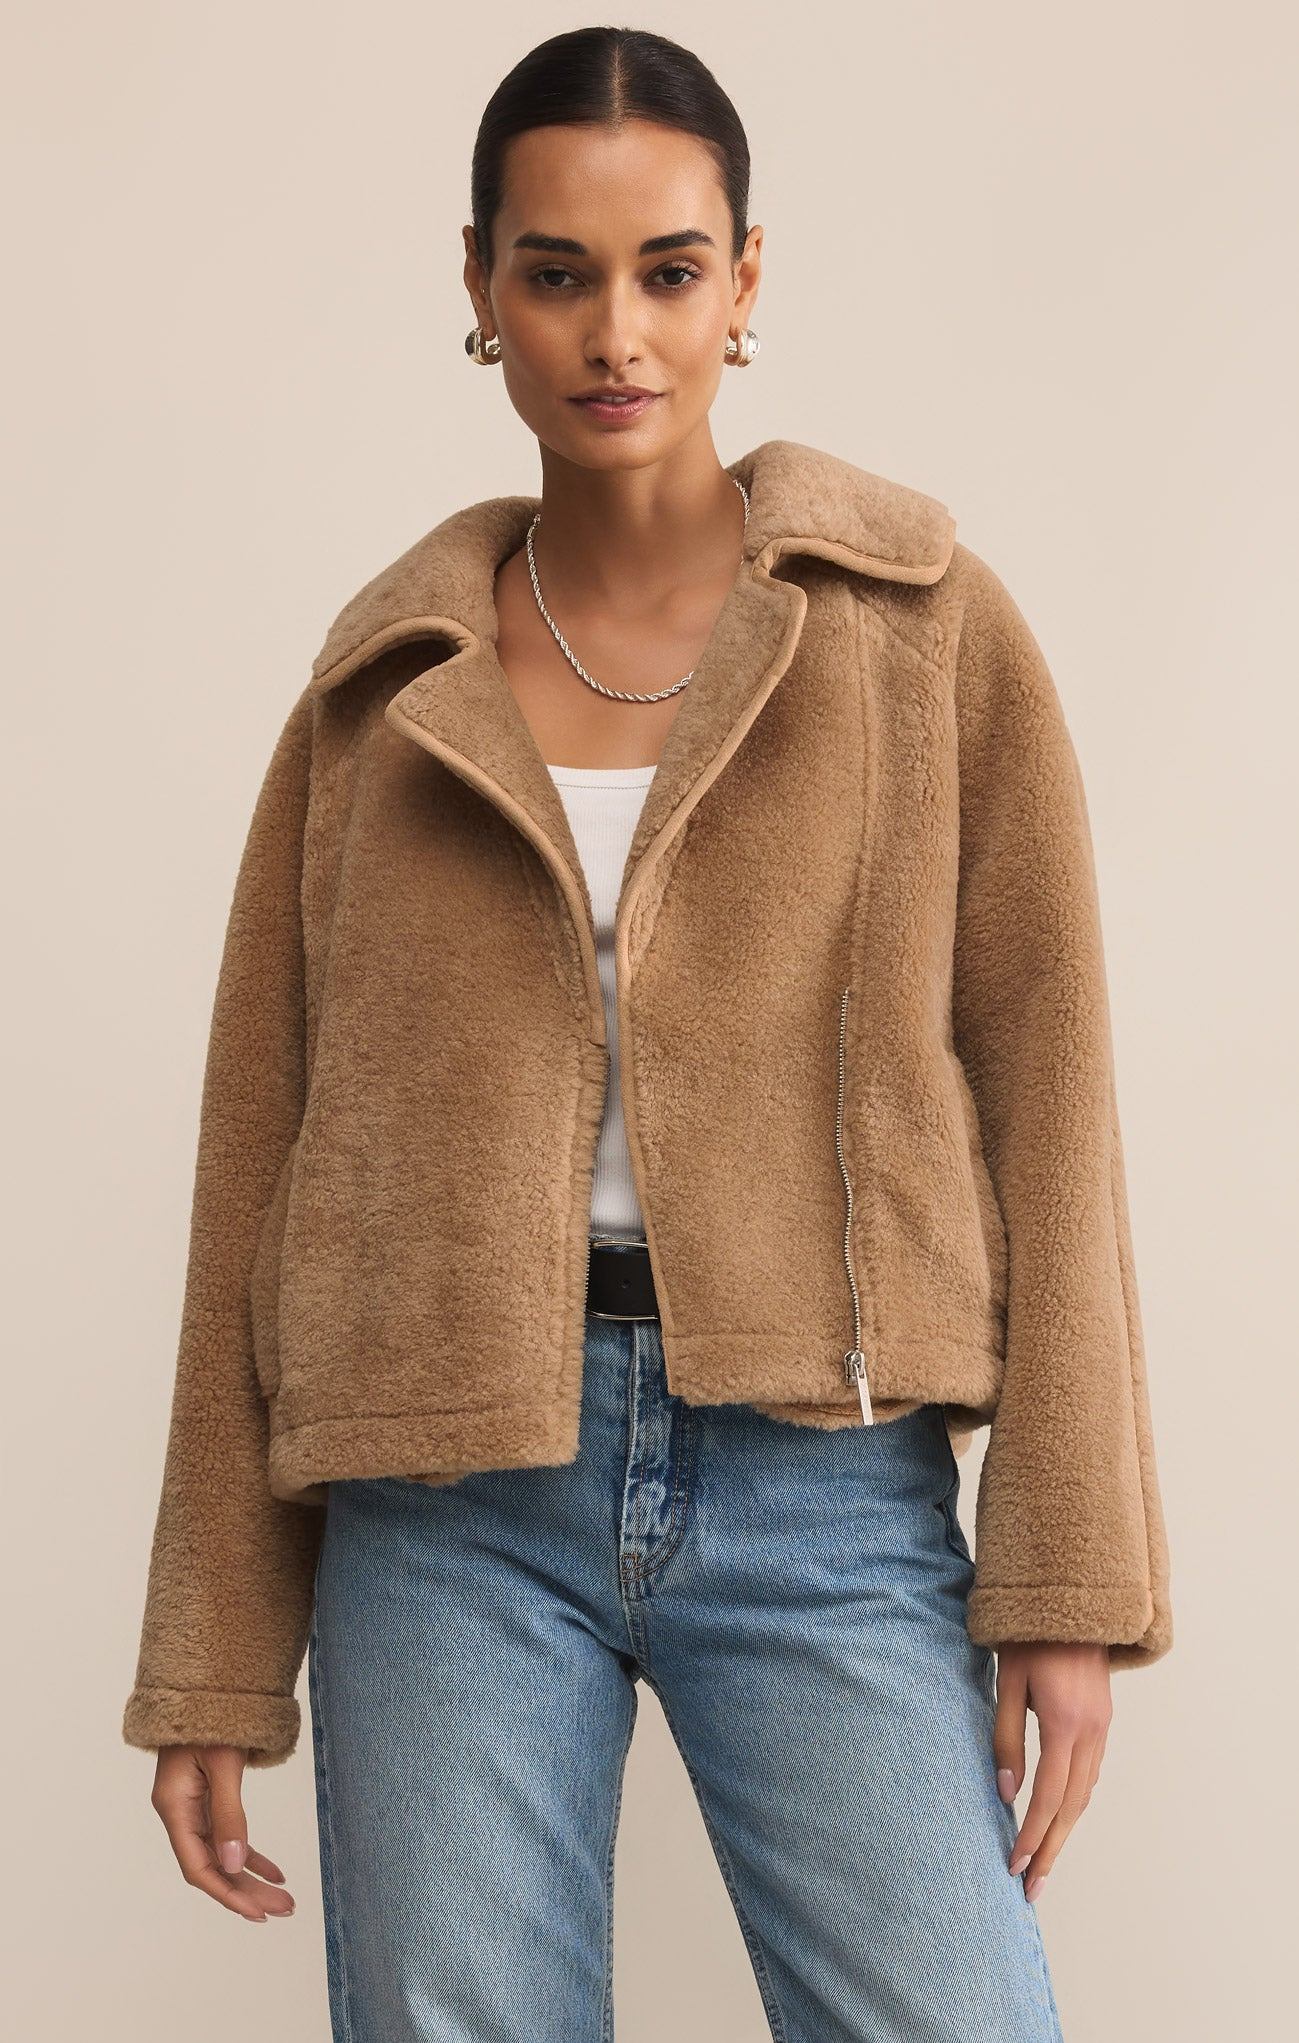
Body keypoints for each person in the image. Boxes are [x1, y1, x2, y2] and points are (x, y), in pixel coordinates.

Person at [122, 25, 1173, 2042]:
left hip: (824, 1479)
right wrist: (214, 1646)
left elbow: (1053, 1096)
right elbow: (261, 1158)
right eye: (557, 272)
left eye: (668, 270)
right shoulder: (383, 691)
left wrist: (1063, 1573)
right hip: (441, 1492)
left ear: (744, 281)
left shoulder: (918, 631)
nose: (615, 331)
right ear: (477, 287)